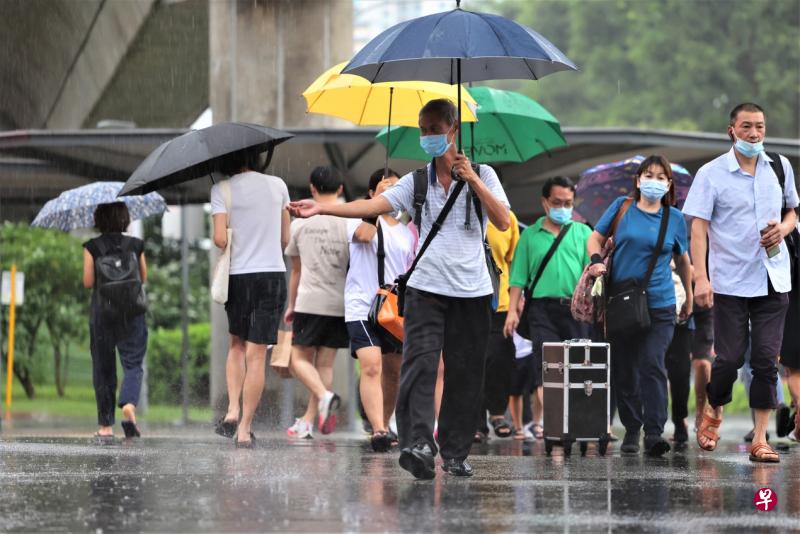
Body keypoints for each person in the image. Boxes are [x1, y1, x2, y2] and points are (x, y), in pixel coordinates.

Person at [289, 98, 510, 479]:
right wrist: (323, 208)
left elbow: (503, 221)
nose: (428, 136)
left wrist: (471, 178)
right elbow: (373, 204)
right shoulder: (417, 181)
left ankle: (456, 452)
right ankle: (419, 444)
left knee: (464, 372)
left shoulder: (485, 175)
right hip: (425, 288)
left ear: (453, 129)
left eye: (435, 129)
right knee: (419, 366)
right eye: (423, 129)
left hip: (471, 291)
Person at [684, 103, 798, 463]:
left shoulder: (779, 166)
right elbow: (698, 229)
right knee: (730, 359)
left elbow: (794, 210)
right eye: (746, 126)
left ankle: (760, 439)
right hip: (730, 280)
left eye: (760, 126)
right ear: (731, 129)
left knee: (766, 361)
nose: (754, 133)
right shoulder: (711, 174)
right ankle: (714, 406)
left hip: (773, 277)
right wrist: (700, 278)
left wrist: (784, 227)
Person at [587, 155, 693, 457]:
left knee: (652, 362)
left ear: (669, 184)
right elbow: (595, 239)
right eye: (649, 175)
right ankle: (632, 428)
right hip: (622, 302)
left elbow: (683, 260)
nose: (654, 181)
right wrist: (596, 263)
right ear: (638, 179)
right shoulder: (622, 208)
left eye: (661, 177)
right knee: (625, 367)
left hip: (660, 303)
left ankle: (655, 431)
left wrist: (687, 297)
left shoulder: (674, 218)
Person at [211, 149, 290, 448]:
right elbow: (285, 239)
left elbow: (220, 239)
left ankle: (232, 409)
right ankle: (244, 429)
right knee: (258, 355)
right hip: (271, 275)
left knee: (237, 344)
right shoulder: (278, 185)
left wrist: (232, 228)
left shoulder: (222, 189)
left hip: (239, 277)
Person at [503, 176, 592, 431]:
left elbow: (591, 272)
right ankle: (555, 423)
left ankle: (574, 420)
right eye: (557, 202)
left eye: (568, 203)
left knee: (577, 368)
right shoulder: (530, 236)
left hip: (576, 311)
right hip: (541, 310)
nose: (563, 208)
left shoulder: (583, 232)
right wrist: (512, 312)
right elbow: (518, 277)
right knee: (548, 367)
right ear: (544, 202)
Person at [345, 168, 416, 452]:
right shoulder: (359, 217)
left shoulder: (405, 229)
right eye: (386, 188)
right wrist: (375, 205)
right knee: (372, 365)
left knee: (393, 372)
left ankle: (384, 423)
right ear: (372, 192)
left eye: (397, 189)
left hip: (392, 310)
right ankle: (377, 429)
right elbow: (363, 236)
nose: (392, 194)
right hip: (361, 305)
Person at [285, 166, 350, 438]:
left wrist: (291, 305)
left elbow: (297, 272)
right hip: (340, 302)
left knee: (296, 358)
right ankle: (308, 422)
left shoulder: (299, 223)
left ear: (312, 189)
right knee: (323, 365)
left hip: (310, 301)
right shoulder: (349, 222)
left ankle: (324, 396)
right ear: (340, 190)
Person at [83, 202, 148, 441]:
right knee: (132, 364)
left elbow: (88, 281)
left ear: (99, 220)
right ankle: (129, 403)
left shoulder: (92, 247)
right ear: (125, 219)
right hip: (132, 312)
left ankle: (105, 426)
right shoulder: (135, 245)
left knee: (103, 368)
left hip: (102, 314)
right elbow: (143, 277)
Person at [475, 208, 520, 441]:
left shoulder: (506, 218)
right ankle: (476, 422)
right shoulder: (465, 211)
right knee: (474, 361)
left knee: (499, 361)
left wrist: (515, 303)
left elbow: (514, 263)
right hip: (469, 302)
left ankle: (497, 413)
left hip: (500, 302)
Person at [664, 262, 693, 445]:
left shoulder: (691, 236)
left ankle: (679, 419)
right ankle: (653, 424)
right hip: (650, 309)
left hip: (682, 311)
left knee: (681, 373)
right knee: (653, 368)